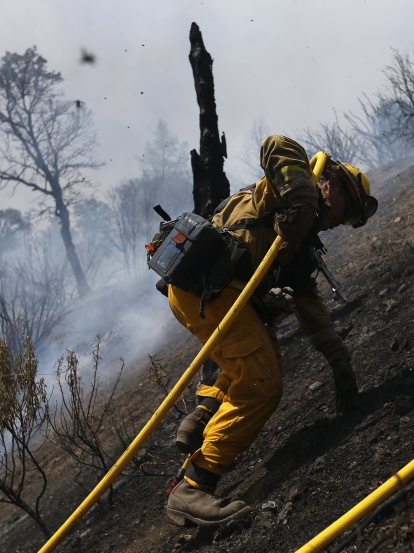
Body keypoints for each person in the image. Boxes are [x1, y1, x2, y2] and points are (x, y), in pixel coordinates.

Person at [164, 134, 378, 527]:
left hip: (204, 293)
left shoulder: (300, 239)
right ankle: (192, 488)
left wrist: (340, 365)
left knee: (259, 355)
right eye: (349, 211)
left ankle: (202, 415)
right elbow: (275, 143)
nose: (343, 222)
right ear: (333, 186)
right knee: (262, 383)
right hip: (213, 290)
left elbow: (311, 308)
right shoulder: (288, 194)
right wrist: (303, 195)